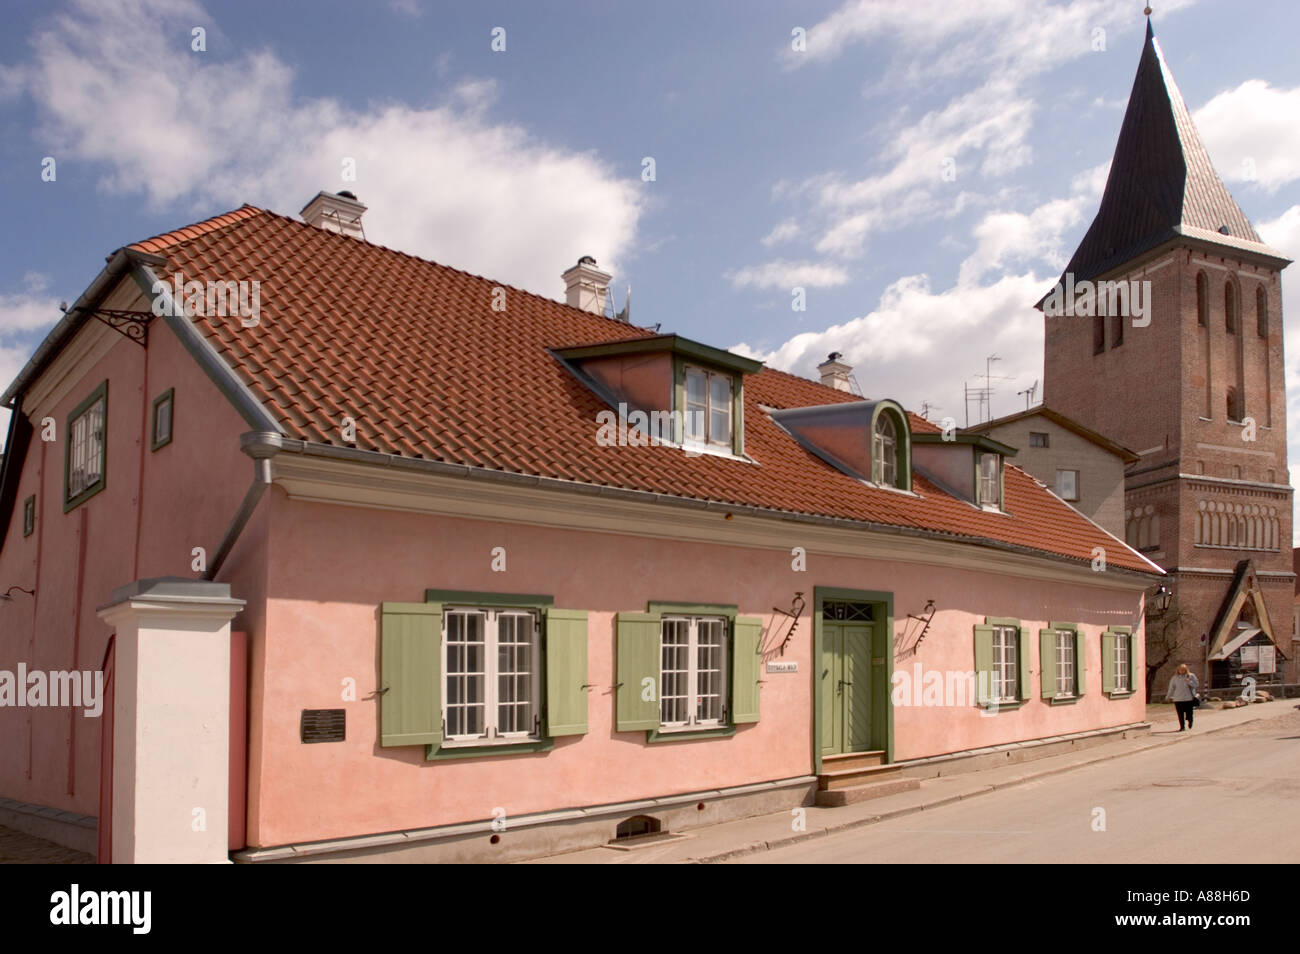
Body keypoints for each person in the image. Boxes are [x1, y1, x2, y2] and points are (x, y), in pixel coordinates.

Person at [1164, 664, 1200, 731]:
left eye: (1183, 670)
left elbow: (1196, 684)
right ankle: (1182, 727)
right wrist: (1168, 697)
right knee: (1180, 714)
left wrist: (1189, 682)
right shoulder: (1174, 678)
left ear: (1186, 670)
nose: (1182, 671)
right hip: (1178, 699)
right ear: (1178, 670)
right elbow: (1171, 688)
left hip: (1188, 698)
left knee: (1189, 713)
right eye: (1180, 670)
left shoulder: (1191, 676)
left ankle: (1190, 720)